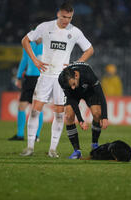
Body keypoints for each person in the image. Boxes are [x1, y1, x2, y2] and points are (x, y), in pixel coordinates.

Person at [20, 2, 94, 157]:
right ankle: (30, 147)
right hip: (45, 75)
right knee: (35, 111)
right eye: (64, 17)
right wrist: (34, 60)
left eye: (70, 17)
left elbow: (89, 49)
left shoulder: (75, 32)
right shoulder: (45, 27)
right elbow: (25, 40)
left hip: (62, 79)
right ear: (58, 14)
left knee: (60, 114)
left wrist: (76, 64)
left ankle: (53, 149)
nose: (66, 20)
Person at [58, 62, 108, 159]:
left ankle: (94, 145)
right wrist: (80, 120)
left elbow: (101, 95)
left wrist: (105, 117)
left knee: (97, 113)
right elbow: (71, 100)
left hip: (89, 92)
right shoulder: (62, 79)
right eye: (70, 86)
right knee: (68, 115)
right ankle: (77, 151)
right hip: (74, 96)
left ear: (76, 75)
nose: (72, 87)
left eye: (73, 84)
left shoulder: (88, 74)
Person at [8, 40, 44, 141]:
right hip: (28, 78)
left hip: (40, 78)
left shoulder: (47, 44)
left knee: (38, 107)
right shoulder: (29, 44)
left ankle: (36, 135)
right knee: (21, 106)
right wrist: (19, 77)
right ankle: (20, 135)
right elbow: (24, 60)